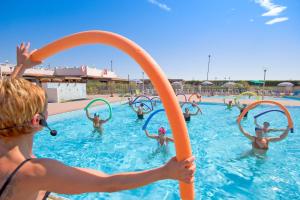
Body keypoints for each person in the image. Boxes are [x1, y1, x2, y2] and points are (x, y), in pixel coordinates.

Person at [0, 43, 195, 200]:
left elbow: (5, 103)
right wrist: (165, 172)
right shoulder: (37, 172)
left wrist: (21, 67)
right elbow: (107, 183)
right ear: (38, 121)